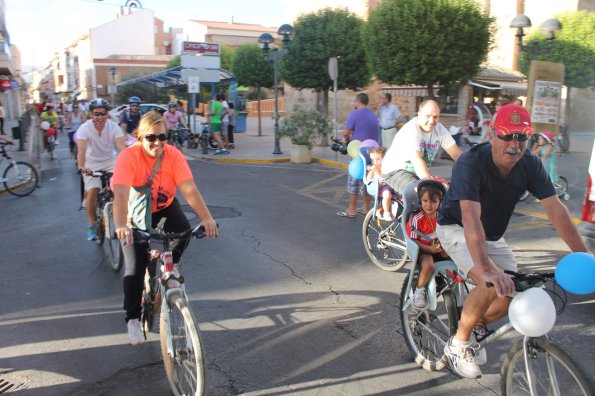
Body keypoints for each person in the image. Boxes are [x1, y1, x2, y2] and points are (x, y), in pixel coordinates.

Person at [436, 104, 589, 379]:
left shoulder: (530, 164)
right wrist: (485, 268)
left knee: (511, 293)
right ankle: (458, 343)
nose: (514, 144)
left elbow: (556, 210)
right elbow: (471, 217)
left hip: (492, 235)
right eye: (507, 135)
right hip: (456, 227)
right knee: (490, 282)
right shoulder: (470, 163)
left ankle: (474, 326)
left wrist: (584, 257)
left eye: (522, 136)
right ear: (492, 135)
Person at [111, 111, 219, 345]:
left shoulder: (173, 156)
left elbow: (189, 188)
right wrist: (121, 225)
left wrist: (206, 218)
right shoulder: (128, 157)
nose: (157, 143)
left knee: (184, 230)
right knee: (134, 266)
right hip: (135, 213)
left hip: (164, 205)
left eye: (163, 136)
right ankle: (132, 318)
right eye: (151, 137)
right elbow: (119, 193)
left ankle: (170, 268)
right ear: (140, 137)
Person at [382, 99, 462, 195]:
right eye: (428, 116)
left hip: (416, 173)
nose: (432, 121)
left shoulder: (439, 130)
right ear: (419, 115)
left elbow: (458, 155)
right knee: (422, 194)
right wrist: (430, 183)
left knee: (444, 194)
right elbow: (417, 160)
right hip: (395, 171)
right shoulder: (411, 130)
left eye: (435, 117)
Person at [77, 98, 126, 240]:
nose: (99, 117)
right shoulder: (84, 129)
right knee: (92, 191)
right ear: (91, 115)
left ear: (107, 114)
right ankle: (92, 225)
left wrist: (127, 164)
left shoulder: (114, 127)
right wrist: (82, 167)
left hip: (111, 161)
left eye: (102, 113)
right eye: (96, 114)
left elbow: (122, 148)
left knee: (119, 189)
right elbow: (81, 151)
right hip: (90, 163)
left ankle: (121, 220)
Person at [406, 178, 448, 309]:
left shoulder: (442, 216)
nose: (429, 205)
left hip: (438, 249)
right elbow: (413, 240)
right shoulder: (417, 219)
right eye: (425, 201)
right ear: (420, 201)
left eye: (433, 201)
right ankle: (419, 290)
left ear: (440, 202)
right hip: (423, 251)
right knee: (429, 265)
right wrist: (429, 249)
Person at [337, 93, 379, 218]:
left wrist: (346, 139)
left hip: (359, 151)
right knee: (369, 179)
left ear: (358, 102)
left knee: (354, 179)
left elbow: (346, 132)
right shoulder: (373, 116)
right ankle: (366, 208)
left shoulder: (354, 114)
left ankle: (352, 209)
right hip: (374, 151)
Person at [367, 147, 395, 221]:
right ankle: (387, 212)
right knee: (387, 194)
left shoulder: (386, 166)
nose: (375, 162)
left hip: (390, 185)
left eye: (377, 159)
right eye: (373, 160)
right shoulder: (374, 168)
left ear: (383, 158)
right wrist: (372, 172)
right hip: (380, 188)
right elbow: (368, 181)